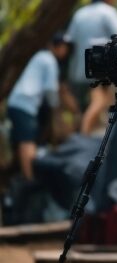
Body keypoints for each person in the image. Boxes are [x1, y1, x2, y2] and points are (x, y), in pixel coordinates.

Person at [7, 35, 71, 180]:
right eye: (64, 47)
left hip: (19, 103)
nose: (65, 51)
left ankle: (23, 176)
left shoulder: (41, 56)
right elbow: (50, 90)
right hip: (24, 104)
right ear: (58, 47)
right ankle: (30, 181)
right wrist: (56, 111)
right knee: (27, 142)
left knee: (24, 141)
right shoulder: (49, 60)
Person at [65, 0, 117, 134]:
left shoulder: (79, 14)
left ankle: (85, 136)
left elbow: (69, 43)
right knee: (100, 102)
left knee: (88, 107)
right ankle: (83, 136)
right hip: (99, 71)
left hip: (78, 72)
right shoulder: (108, 12)